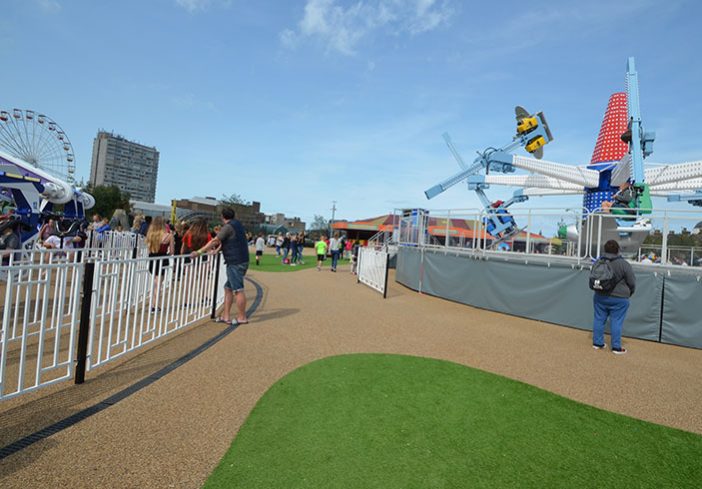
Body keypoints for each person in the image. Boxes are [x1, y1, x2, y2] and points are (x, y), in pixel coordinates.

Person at [192, 207, 249, 326]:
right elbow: (229, 241)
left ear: (222, 217)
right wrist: (218, 250)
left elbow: (215, 240)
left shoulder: (228, 227)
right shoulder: (237, 225)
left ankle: (242, 317)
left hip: (235, 261)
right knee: (228, 288)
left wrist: (199, 252)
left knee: (238, 290)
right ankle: (226, 316)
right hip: (240, 260)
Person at [592, 239, 636, 354]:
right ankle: (616, 347)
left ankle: (598, 343)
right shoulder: (624, 264)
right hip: (619, 298)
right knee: (616, 321)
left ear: (605, 250)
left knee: (599, 319)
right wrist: (629, 293)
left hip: (600, 296)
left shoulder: (598, 262)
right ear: (617, 250)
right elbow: (632, 282)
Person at [146, 216, 175, 312]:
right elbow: (171, 251)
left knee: (155, 282)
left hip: (152, 259)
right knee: (158, 283)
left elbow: (149, 250)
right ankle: (155, 305)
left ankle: (153, 304)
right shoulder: (169, 236)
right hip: (162, 259)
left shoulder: (150, 234)